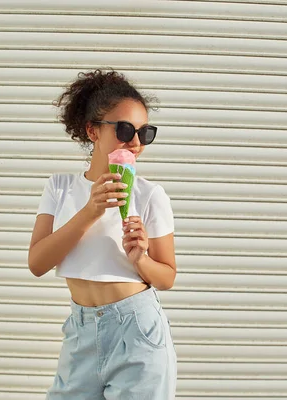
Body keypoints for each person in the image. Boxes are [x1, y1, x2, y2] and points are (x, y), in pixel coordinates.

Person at [28, 69, 177, 399]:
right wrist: (90, 211)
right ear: (92, 130)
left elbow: (166, 277)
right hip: (81, 334)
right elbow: (37, 263)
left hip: (137, 331)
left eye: (144, 133)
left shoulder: (150, 196)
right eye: (125, 130)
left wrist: (140, 258)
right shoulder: (60, 188)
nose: (135, 143)